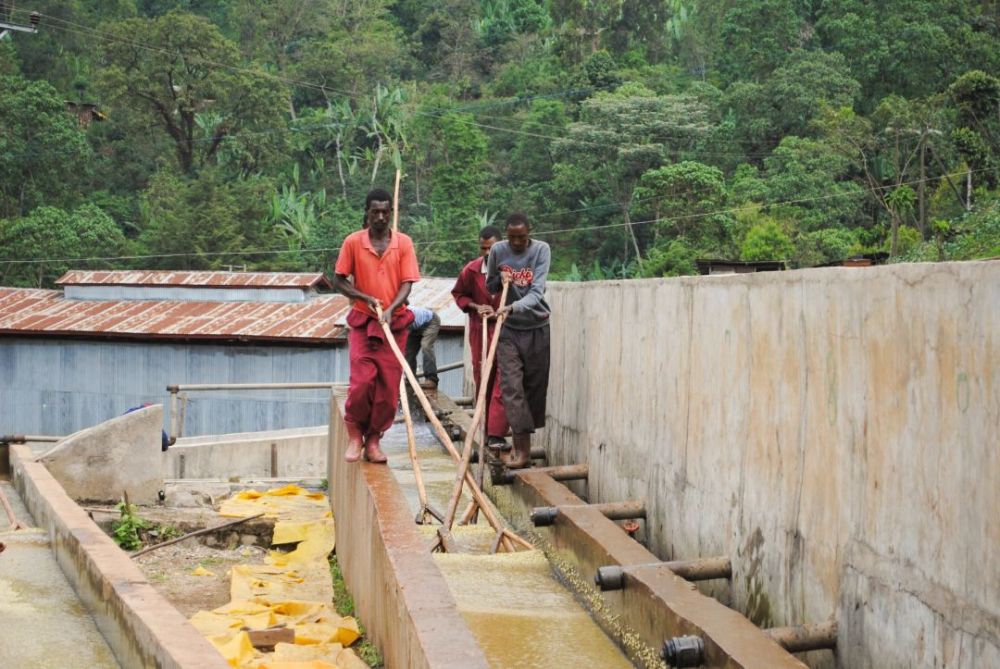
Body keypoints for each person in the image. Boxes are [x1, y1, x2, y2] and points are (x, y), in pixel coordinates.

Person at [332, 188, 420, 464]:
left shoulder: (403, 243)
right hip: (363, 322)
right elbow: (339, 280)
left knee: (387, 389)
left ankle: (373, 440)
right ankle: (355, 434)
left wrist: (392, 309)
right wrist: (363, 297)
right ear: (367, 214)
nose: (380, 217)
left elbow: (408, 283)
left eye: (385, 212)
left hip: (394, 326)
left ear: (390, 213)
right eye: (375, 212)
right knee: (362, 382)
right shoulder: (353, 242)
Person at [486, 213, 551, 469]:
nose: (516, 243)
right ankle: (521, 450)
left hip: (537, 326)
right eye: (511, 238)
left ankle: (524, 440)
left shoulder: (541, 250)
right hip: (509, 330)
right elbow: (490, 285)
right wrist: (500, 280)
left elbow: (537, 292)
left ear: (529, 233)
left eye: (521, 238)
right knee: (512, 388)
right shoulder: (497, 251)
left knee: (533, 388)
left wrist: (512, 306)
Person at [451, 226, 509, 451]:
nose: (487, 253)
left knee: (504, 380)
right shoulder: (471, 270)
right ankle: (484, 428)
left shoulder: (512, 271)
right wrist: (476, 307)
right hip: (481, 328)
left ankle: (496, 433)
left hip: (506, 330)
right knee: (483, 375)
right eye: (483, 248)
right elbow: (459, 294)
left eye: (492, 248)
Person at [405, 306, 441, 391]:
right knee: (408, 352)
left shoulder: (402, 316)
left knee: (426, 346)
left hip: (431, 321)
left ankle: (431, 379)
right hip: (415, 327)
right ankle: (411, 379)